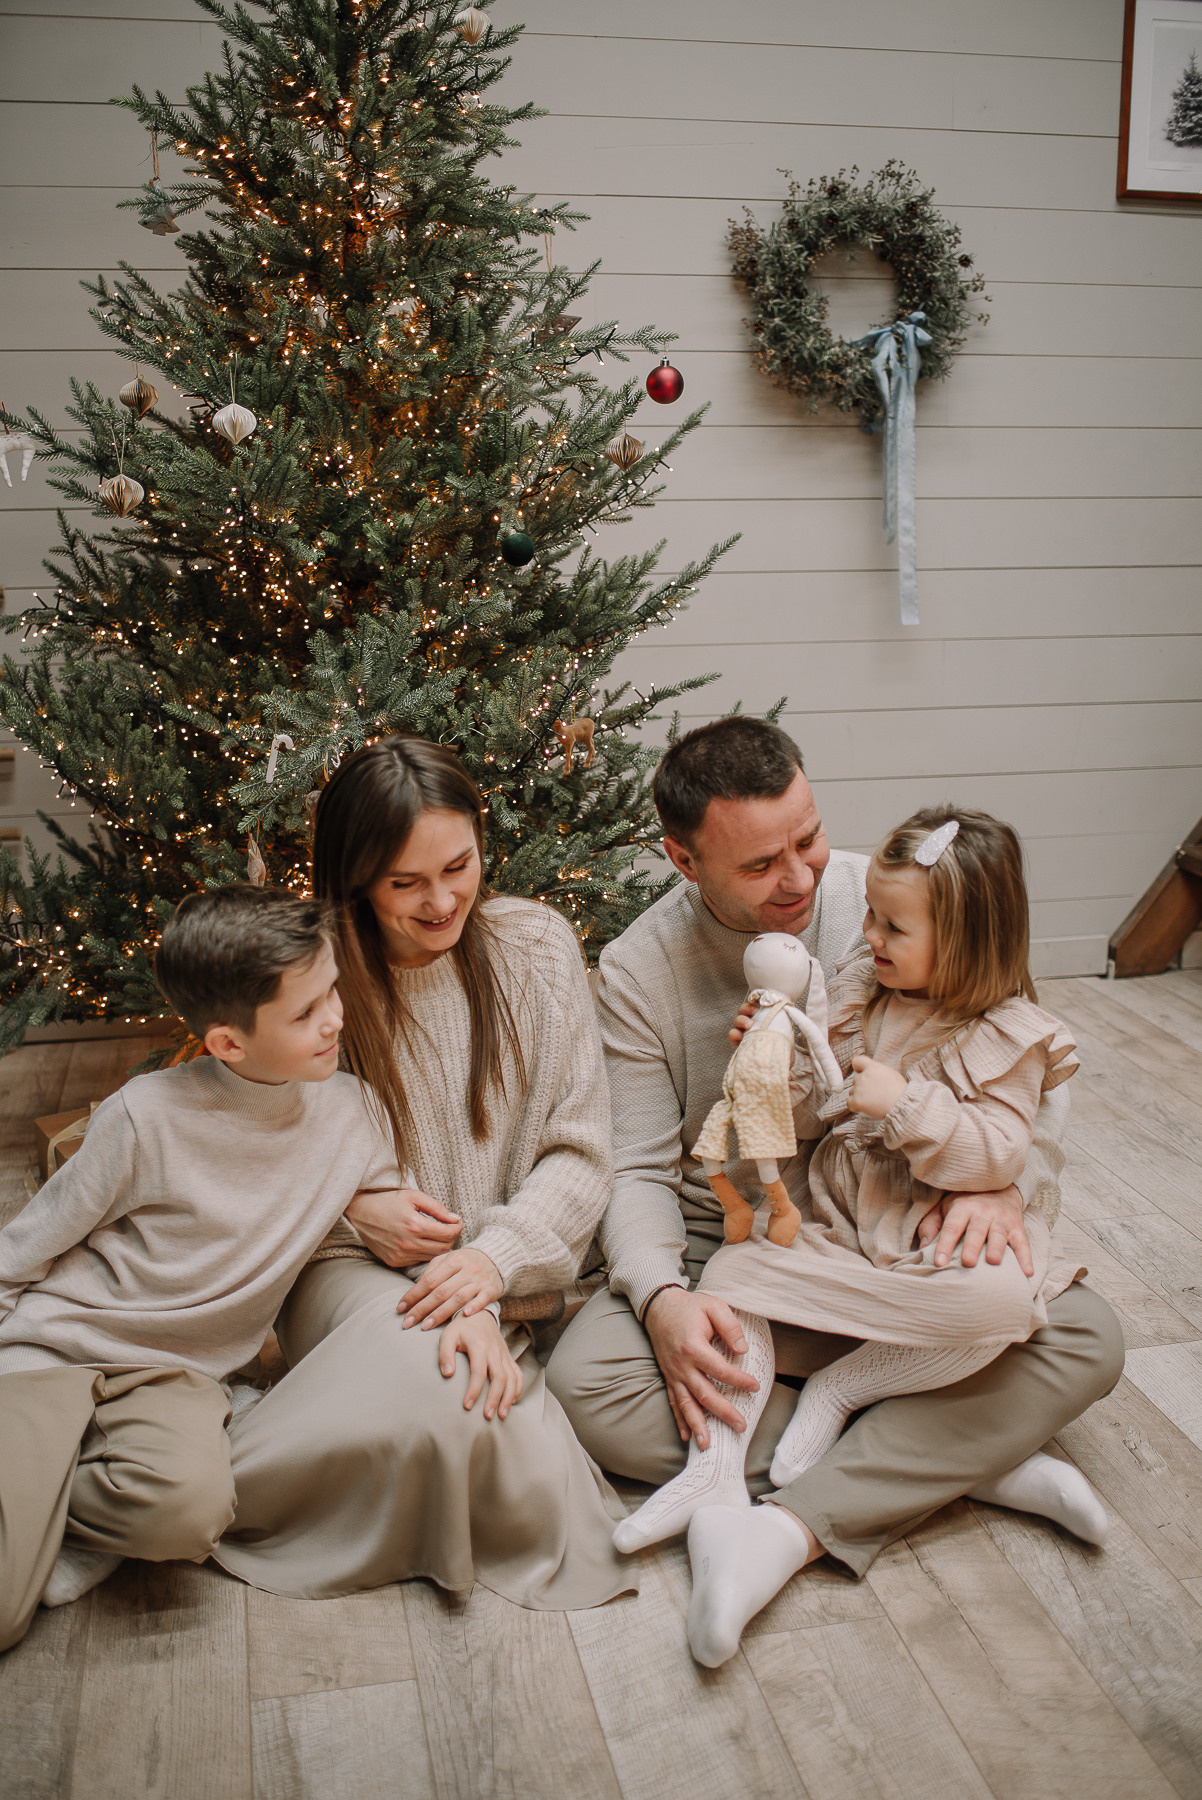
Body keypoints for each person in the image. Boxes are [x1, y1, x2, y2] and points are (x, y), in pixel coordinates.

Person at [546, 717, 1124, 1650]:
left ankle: (797, 1517)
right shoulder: (637, 970)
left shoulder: (889, 895)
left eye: (808, 837)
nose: (804, 878)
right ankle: (966, 1452)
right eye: (762, 863)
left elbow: (1018, 1067)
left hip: (901, 1228)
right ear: (684, 861)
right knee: (589, 1383)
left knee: (1088, 1336)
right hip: (748, 1237)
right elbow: (639, 1170)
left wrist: (1001, 1188)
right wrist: (658, 1299)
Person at [215, 735, 634, 1610]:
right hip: (350, 1273)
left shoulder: (539, 948)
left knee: (469, 1401)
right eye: (406, 883)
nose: (441, 900)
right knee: (451, 1385)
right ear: (357, 878)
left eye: (460, 865)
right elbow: (261, 1165)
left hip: (497, 1270)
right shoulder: (311, 978)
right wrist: (359, 1209)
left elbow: (581, 1150)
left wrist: (485, 1269)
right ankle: (188, 1500)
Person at [0, 884, 401, 1652]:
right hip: (53, 1350)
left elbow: (374, 1204)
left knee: (187, 1516)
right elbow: (30, 1243)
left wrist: (383, 1216)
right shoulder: (143, 1116)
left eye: (333, 993)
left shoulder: (354, 1115)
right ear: (226, 1043)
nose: (336, 1019)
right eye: (306, 1012)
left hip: (178, 1376)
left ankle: (53, 1490)